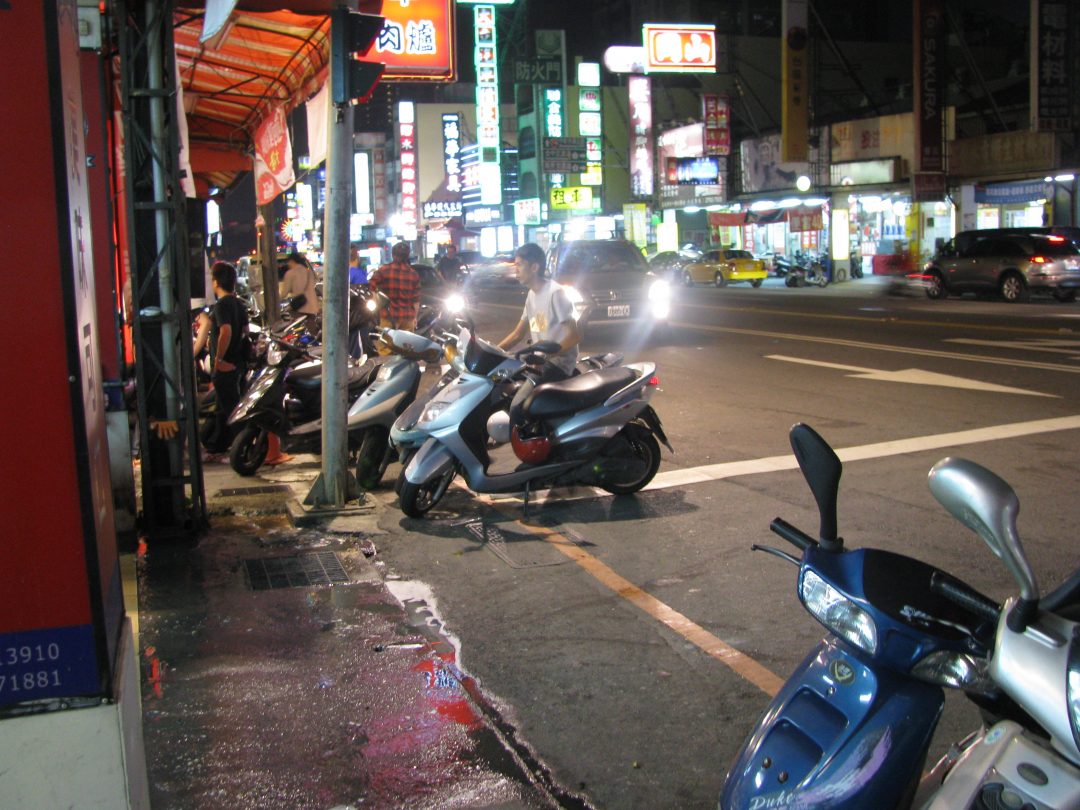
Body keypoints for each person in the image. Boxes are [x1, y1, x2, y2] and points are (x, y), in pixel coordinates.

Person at [497, 242, 582, 427]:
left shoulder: (556, 293)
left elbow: (573, 336)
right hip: (539, 361)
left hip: (557, 363)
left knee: (517, 406)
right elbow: (519, 333)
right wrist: (493, 352)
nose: (516, 270)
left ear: (534, 267)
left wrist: (548, 355)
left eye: (519, 265)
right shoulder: (532, 295)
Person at [205, 261, 248, 458]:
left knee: (232, 410)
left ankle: (244, 446)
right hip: (238, 363)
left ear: (216, 282)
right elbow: (245, 333)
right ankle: (216, 443)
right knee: (224, 408)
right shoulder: (239, 304)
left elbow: (226, 331)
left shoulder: (222, 305)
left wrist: (219, 358)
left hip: (226, 365)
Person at [369, 241, 421, 334]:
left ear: (393, 255)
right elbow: (416, 301)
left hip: (388, 317)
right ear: (407, 256)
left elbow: (371, 286)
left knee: (385, 347)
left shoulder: (383, 270)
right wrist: (415, 317)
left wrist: (376, 302)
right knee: (406, 347)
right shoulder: (414, 274)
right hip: (407, 318)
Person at [279, 251, 319, 316]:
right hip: (313, 308)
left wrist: (275, 301)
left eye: (288, 262)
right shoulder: (309, 272)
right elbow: (313, 283)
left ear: (292, 261)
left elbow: (284, 293)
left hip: (301, 308)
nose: (288, 264)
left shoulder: (290, 274)